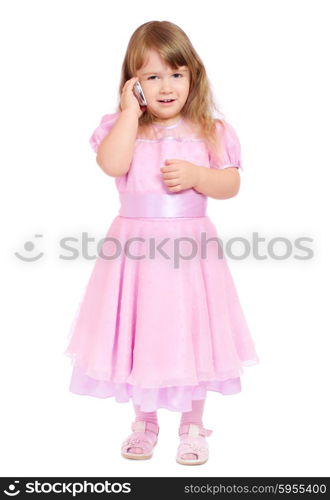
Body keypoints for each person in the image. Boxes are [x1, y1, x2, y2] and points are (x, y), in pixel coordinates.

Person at [64, 20, 259, 466]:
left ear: (194, 75)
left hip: (190, 252)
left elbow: (230, 184)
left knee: (191, 331)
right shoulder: (122, 127)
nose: (166, 86)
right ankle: (145, 422)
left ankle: (192, 425)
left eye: (176, 73)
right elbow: (112, 164)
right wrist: (130, 115)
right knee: (142, 331)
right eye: (152, 77)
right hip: (135, 252)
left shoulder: (211, 128)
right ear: (133, 83)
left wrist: (198, 177)